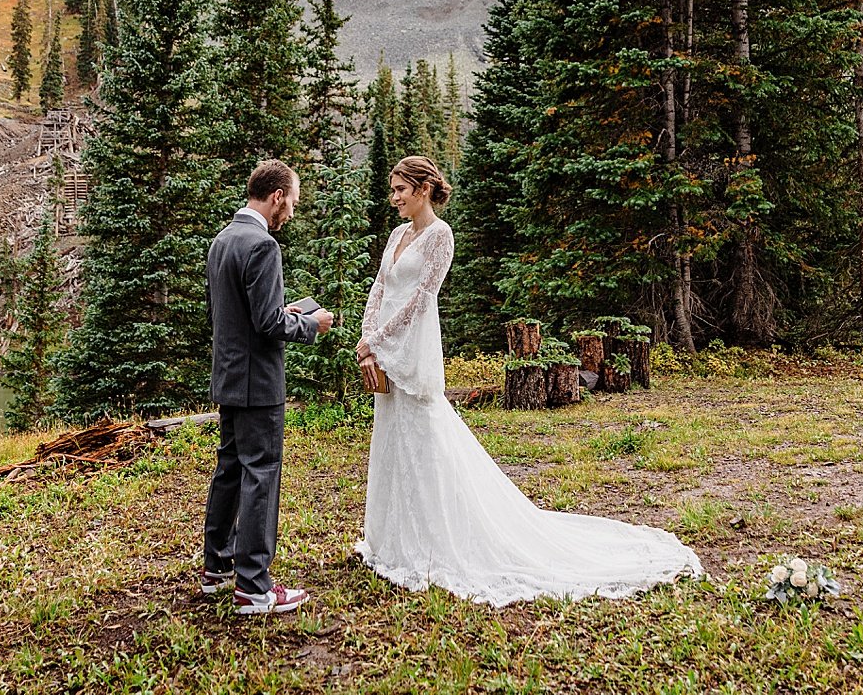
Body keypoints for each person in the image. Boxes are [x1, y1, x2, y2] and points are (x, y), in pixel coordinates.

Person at [355, 155, 706, 605]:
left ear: (423, 189)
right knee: (392, 433)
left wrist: (380, 338)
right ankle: (392, 541)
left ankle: (436, 540)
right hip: (386, 347)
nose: (395, 198)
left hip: (412, 346)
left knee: (424, 434)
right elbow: (380, 287)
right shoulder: (398, 234)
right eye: (392, 190)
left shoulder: (441, 235)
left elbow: (422, 299)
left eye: (401, 189)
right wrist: (368, 336)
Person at [202, 159, 335, 615]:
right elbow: (268, 323)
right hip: (259, 383)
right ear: (277, 196)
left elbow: (233, 313)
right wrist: (310, 323)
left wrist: (285, 308)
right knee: (261, 474)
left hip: (228, 376)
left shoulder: (222, 241)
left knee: (229, 470)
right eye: (292, 202)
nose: (292, 212)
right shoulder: (263, 245)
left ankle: (216, 569)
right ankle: (254, 588)